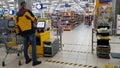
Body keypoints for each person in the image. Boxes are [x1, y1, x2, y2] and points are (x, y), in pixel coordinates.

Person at [16, 1, 41, 66]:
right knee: (33, 46)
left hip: (23, 33)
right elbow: (33, 19)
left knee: (25, 46)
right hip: (30, 31)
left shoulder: (17, 14)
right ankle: (34, 61)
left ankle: (27, 59)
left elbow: (16, 25)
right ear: (25, 5)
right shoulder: (27, 11)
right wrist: (36, 23)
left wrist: (18, 32)